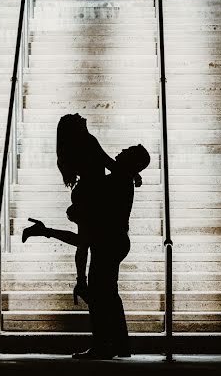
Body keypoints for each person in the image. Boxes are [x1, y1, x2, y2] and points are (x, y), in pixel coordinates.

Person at [23, 144, 151, 359]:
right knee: (108, 295)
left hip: (109, 241)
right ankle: (120, 345)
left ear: (131, 162)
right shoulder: (123, 178)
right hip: (115, 240)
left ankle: (102, 345)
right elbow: (84, 238)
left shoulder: (118, 179)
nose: (119, 152)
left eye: (126, 152)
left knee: (101, 296)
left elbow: (101, 157)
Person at [22, 114, 141, 304]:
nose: (80, 115)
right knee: (86, 241)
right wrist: (133, 173)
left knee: (84, 241)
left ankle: (77, 276)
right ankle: (79, 280)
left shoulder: (69, 148)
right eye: (76, 117)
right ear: (76, 128)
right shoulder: (88, 141)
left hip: (84, 193)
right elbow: (110, 164)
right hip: (94, 194)